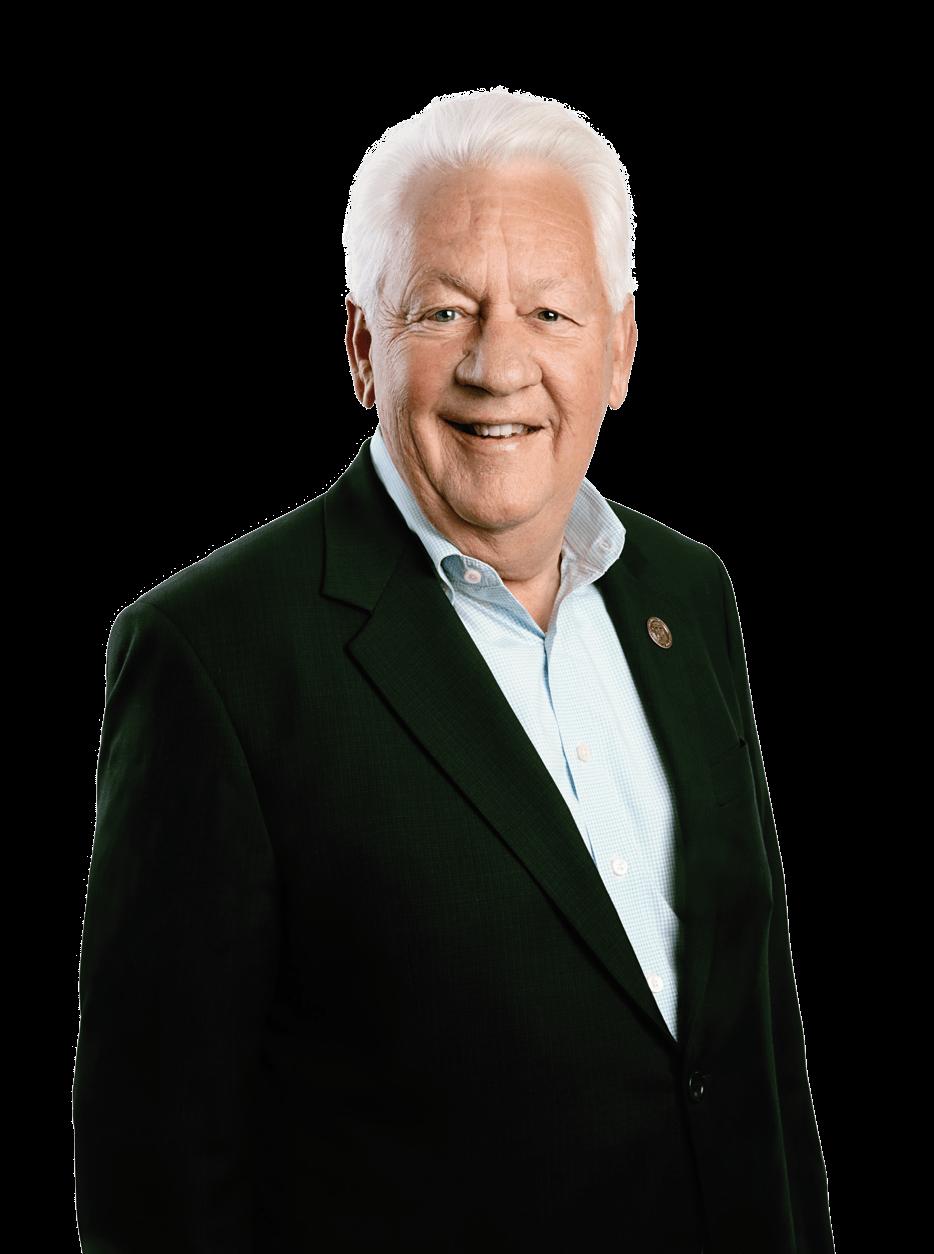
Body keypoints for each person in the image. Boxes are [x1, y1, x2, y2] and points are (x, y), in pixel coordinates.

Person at [73, 86, 833, 1253]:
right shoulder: (213, 657)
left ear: (620, 348)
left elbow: (758, 1040)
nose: (498, 364)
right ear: (361, 346)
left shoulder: (687, 596)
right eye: (443, 311)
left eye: (550, 312)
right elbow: (157, 1174)